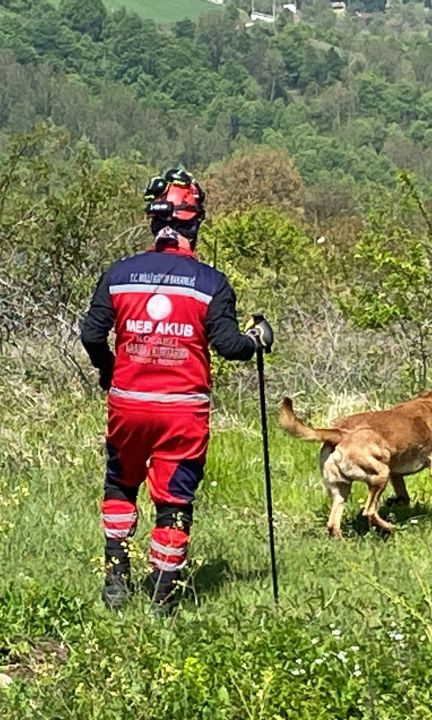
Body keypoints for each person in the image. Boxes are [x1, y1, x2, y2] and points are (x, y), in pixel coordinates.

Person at [80, 167, 273, 612]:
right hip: (183, 411)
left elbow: (92, 335)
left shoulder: (120, 273)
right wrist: (258, 339)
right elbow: (230, 347)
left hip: (128, 405)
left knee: (121, 484)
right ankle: (164, 596)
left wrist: (111, 373)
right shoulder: (212, 283)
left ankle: (116, 580)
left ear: (154, 222)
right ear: (195, 223)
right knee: (174, 498)